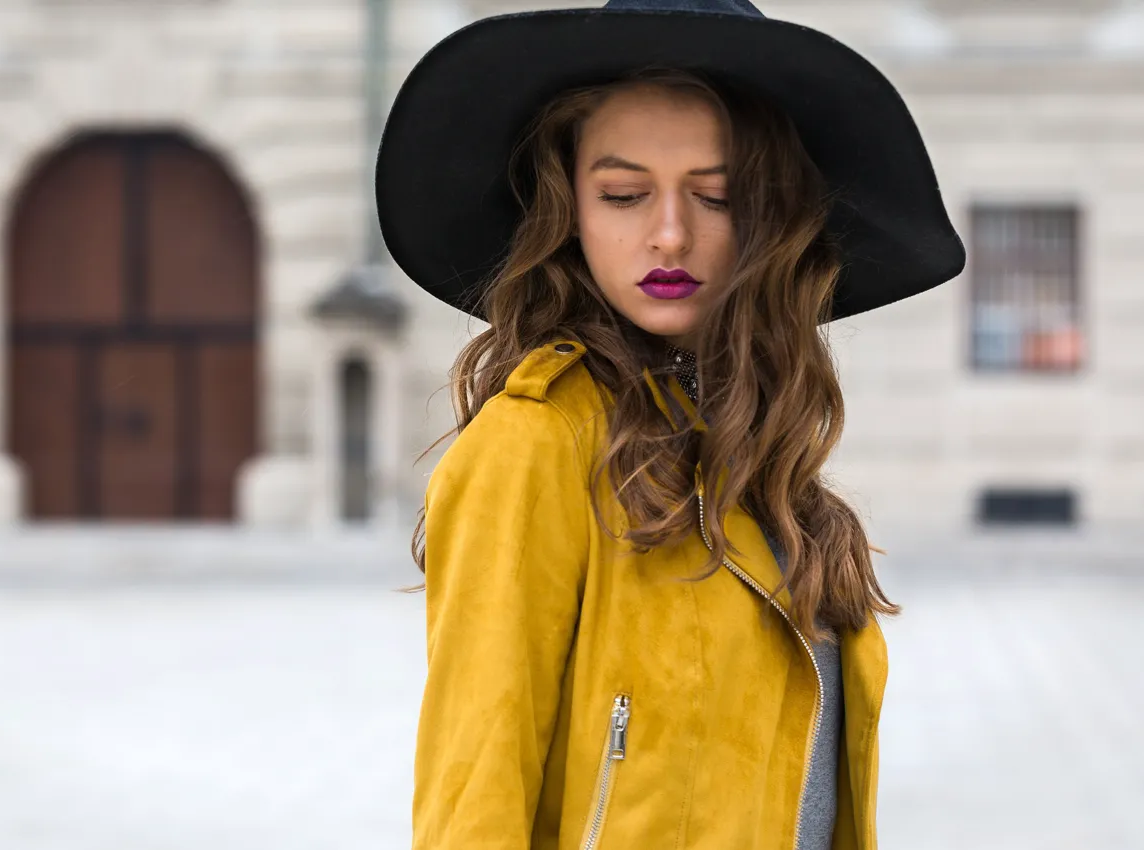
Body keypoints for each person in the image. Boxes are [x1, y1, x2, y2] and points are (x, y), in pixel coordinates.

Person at [373, 1, 966, 848]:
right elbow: (475, 801)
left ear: (773, 217)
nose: (669, 235)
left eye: (717, 196)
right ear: (568, 209)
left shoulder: (755, 454)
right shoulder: (537, 443)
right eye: (622, 193)